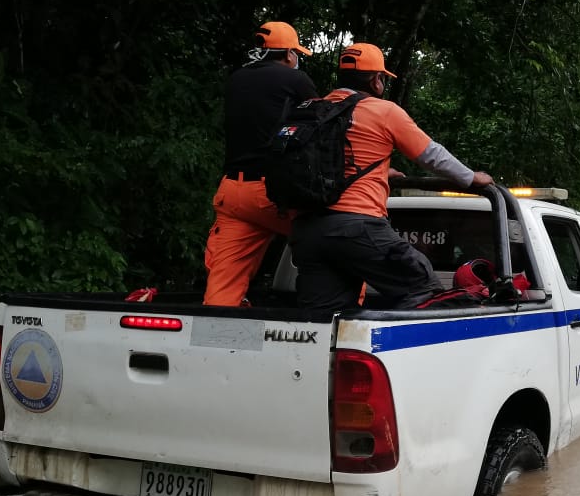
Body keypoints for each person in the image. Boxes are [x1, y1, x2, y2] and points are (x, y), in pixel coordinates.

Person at [288, 43, 494, 312]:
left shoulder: (313, 110)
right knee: (422, 287)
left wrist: (381, 171)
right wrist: (471, 178)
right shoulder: (383, 111)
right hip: (357, 227)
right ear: (376, 79)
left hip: (307, 230)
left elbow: (329, 162)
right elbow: (431, 154)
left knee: (323, 319)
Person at [203, 21, 318, 305]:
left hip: (233, 193)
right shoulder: (296, 80)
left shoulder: (236, 79)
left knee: (223, 286)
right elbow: (321, 130)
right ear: (289, 53)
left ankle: (216, 336)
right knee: (340, 245)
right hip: (275, 193)